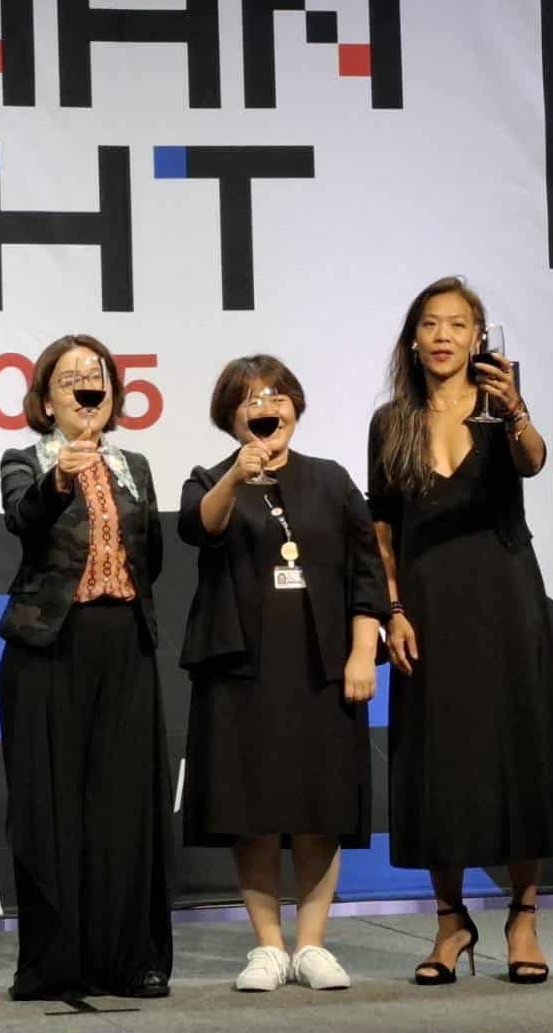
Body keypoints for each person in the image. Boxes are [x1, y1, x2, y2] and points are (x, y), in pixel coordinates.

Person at [367, 277, 553, 985]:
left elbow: (533, 462)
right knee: (438, 757)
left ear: (478, 338)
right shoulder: (391, 421)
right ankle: (450, 922)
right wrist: (392, 610)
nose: (443, 336)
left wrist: (516, 408)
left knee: (519, 749)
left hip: (505, 597)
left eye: (457, 325)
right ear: (413, 339)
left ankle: (523, 917)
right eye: (430, 324)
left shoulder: (500, 411)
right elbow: (382, 528)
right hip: (427, 606)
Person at [178, 355, 387, 993]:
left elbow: (366, 571)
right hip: (241, 667)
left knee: (322, 805)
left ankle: (313, 944)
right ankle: (268, 946)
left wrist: (361, 650)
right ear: (230, 416)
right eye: (251, 400)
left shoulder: (331, 479)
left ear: (295, 405)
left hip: (322, 665)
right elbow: (199, 527)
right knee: (254, 808)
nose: (267, 408)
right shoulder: (211, 478)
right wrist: (236, 476)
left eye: (277, 396)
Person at [0, 334, 175, 1001]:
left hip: (125, 642)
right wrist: (62, 478)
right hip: (50, 645)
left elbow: (151, 557)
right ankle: (53, 963)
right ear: (47, 401)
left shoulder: (136, 466)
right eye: (68, 380)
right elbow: (23, 519)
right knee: (50, 808)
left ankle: (133, 960)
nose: (84, 388)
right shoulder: (25, 461)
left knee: (125, 807)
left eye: (94, 377)